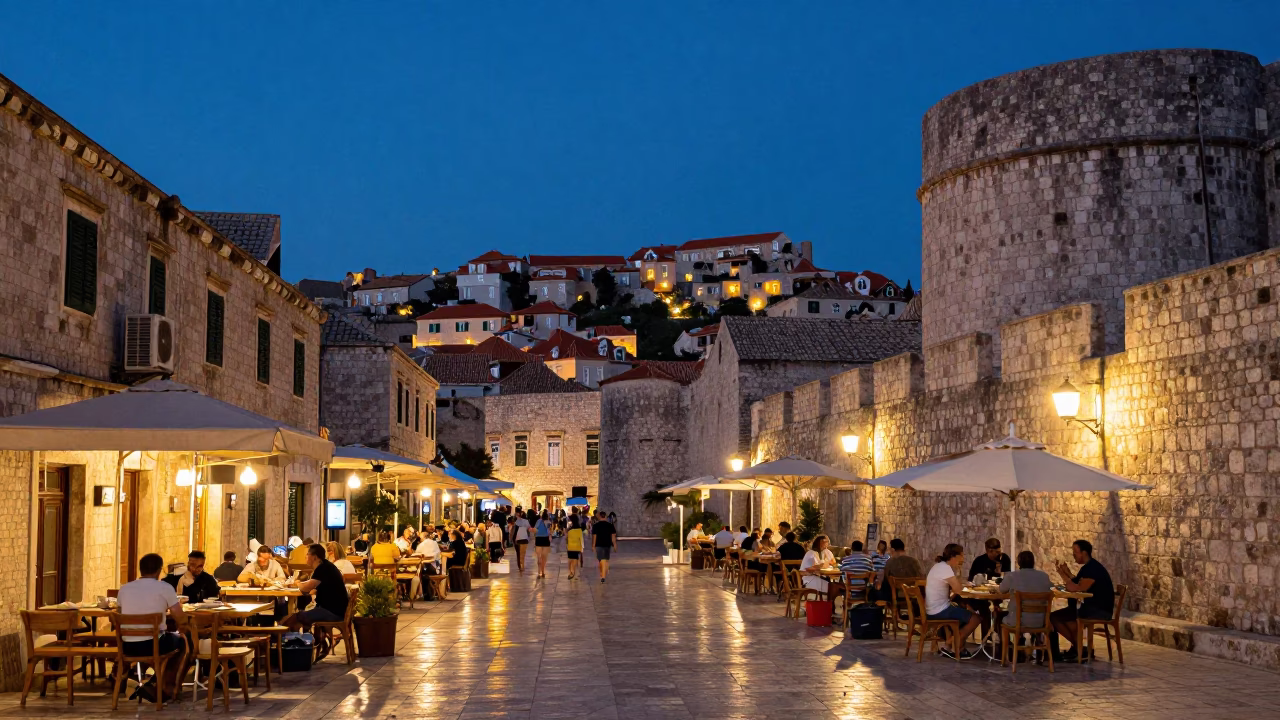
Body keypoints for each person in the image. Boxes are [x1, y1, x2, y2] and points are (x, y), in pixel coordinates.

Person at [118, 553, 186, 702]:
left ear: (140, 570)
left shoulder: (124, 589)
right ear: (158, 570)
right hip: (153, 644)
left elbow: (119, 612)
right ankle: (164, 686)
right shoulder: (165, 587)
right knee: (182, 642)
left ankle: (146, 680)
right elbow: (179, 616)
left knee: (165, 639)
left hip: (127, 646)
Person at [1050, 539, 1116, 661]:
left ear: (1084, 553)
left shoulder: (1093, 569)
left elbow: (1075, 588)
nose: (1073, 555)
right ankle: (1079, 648)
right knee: (1060, 615)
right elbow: (1077, 582)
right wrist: (1067, 573)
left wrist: (1062, 575)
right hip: (1091, 607)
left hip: (1098, 610)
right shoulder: (1088, 567)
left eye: (1075, 552)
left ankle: (1080, 649)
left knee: (1060, 618)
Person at [282, 544, 350, 660]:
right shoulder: (326, 567)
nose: (306, 557)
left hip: (332, 611)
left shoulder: (323, 568)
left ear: (315, 557)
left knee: (294, 618)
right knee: (301, 616)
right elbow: (315, 587)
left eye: (307, 554)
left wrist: (296, 583)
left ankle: (287, 650)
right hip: (334, 608)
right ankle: (313, 645)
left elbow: (306, 588)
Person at [925, 544, 982, 659]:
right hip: (939, 610)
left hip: (934, 608)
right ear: (953, 556)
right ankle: (955, 644)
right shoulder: (945, 569)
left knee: (967, 610)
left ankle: (951, 646)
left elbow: (955, 586)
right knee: (976, 619)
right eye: (961, 555)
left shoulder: (940, 566)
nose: (963, 558)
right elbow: (958, 589)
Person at [1001, 550, 1053, 631]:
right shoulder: (1044, 576)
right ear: (1033, 562)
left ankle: (1006, 643)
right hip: (1040, 621)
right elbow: (1051, 588)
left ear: (1019, 562)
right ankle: (1037, 641)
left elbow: (1002, 590)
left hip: (1017, 621)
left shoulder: (1011, 576)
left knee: (1000, 616)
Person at [800, 534, 842, 602]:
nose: (827, 544)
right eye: (825, 542)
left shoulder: (827, 552)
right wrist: (820, 567)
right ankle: (828, 605)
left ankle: (830, 604)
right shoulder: (811, 553)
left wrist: (829, 564)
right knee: (832, 586)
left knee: (835, 585)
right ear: (819, 543)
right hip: (810, 579)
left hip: (821, 576)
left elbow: (833, 563)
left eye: (827, 542)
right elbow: (808, 569)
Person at [593, 510, 618, 583]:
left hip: (598, 544)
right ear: (606, 516)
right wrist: (615, 545)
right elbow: (613, 536)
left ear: (600, 516)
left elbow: (594, 536)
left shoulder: (595, 526)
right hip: (607, 544)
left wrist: (593, 545)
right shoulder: (610, 525)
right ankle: (604, 573)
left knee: (601, 560)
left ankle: (603, 576)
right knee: (606, 559)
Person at [534, 511, 553, 578]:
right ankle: (543, 572)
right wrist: (550, 536)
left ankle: (539, 572)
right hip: (545, 539)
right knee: (544, 557)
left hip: (539, 539)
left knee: (538, 556)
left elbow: (535, 529)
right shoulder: (548, 522)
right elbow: (550, 530)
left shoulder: (538, 521)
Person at [566, 514, 584, 580]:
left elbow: (566, 538)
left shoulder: (569, 530)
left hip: (570, 547)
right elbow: (581, 539)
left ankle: (571, 572)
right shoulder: (579, 530)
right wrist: (582, 548)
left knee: (570, 560)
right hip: (577, 547)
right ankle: (574, 573)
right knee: (575, 560)